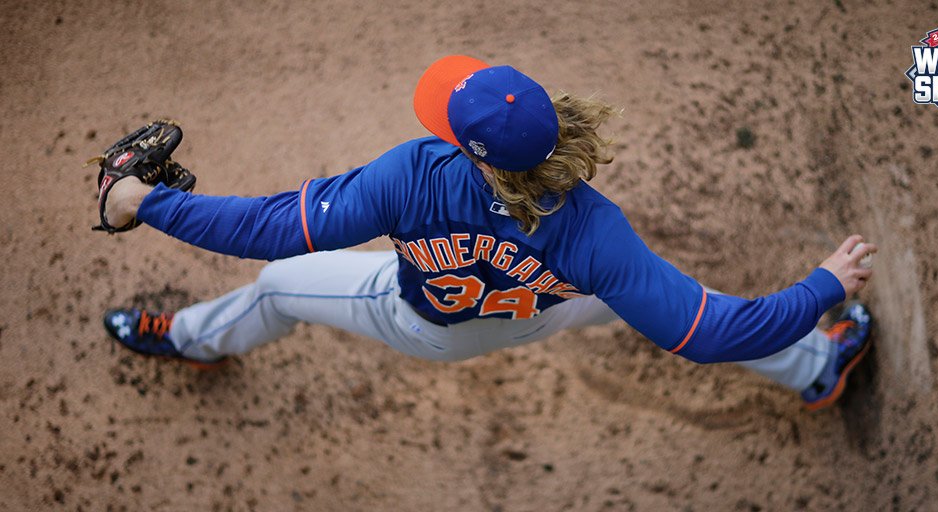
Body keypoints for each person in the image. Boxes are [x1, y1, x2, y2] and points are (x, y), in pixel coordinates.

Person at [99, 55, 877, 411]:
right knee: (671, 297)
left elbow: (270, 228)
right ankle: (816, 366)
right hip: (556, 300)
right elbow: (711, 333)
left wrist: (144, 200)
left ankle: (190, 340)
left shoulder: (413, 177)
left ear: (471, 154)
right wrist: (824, 284)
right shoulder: (597, 234)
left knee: (277, 285)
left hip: (433, 324)